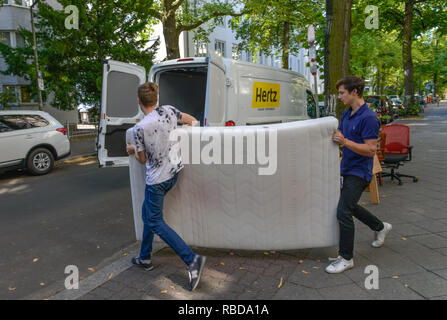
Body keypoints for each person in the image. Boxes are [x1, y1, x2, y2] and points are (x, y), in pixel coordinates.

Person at [126, 82, 206, 291]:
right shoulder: (169, 111)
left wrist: (132, 150)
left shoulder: (139, 128)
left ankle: (192, 260)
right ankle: (144, 257)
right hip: (174, 173)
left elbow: (142, 160)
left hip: (157, 181)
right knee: (148, 215)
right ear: (156, 99)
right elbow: (191, 121)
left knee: (155, 221)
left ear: (139, 102)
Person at [326, 76, 392, 274]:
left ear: (354, 92)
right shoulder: (347, 114)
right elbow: (342, 138)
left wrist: (345, 142)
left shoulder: (369, 118)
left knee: (343, 211)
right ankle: (380, 227)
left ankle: (346, 258)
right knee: (350, 206)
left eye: (342, 93)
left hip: (359, 171)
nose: (339, 97)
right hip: (345, 168)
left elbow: (371, 150)